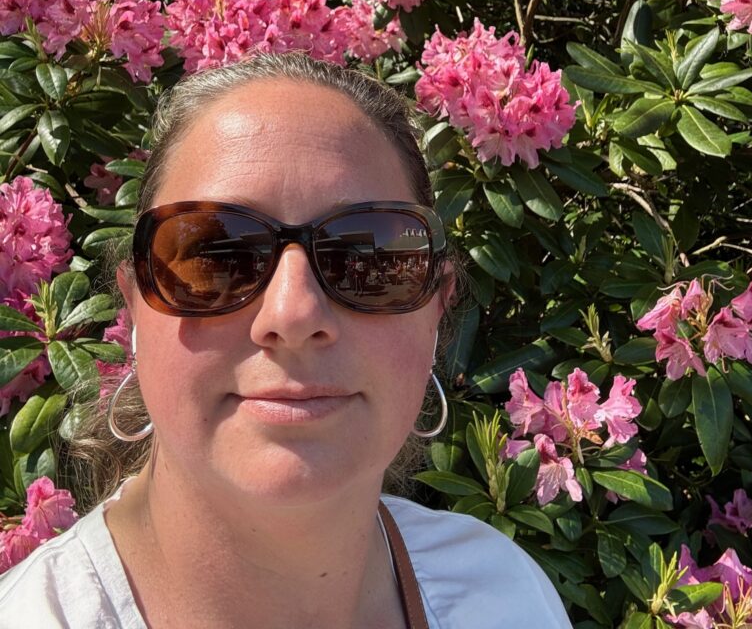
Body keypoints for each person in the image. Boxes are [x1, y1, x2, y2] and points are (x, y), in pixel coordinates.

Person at [0, 52, 572, 629]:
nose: (293, 312)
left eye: (366, 254)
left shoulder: (504, 594)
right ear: (134, 309)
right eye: (213, 255)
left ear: (436, 311)